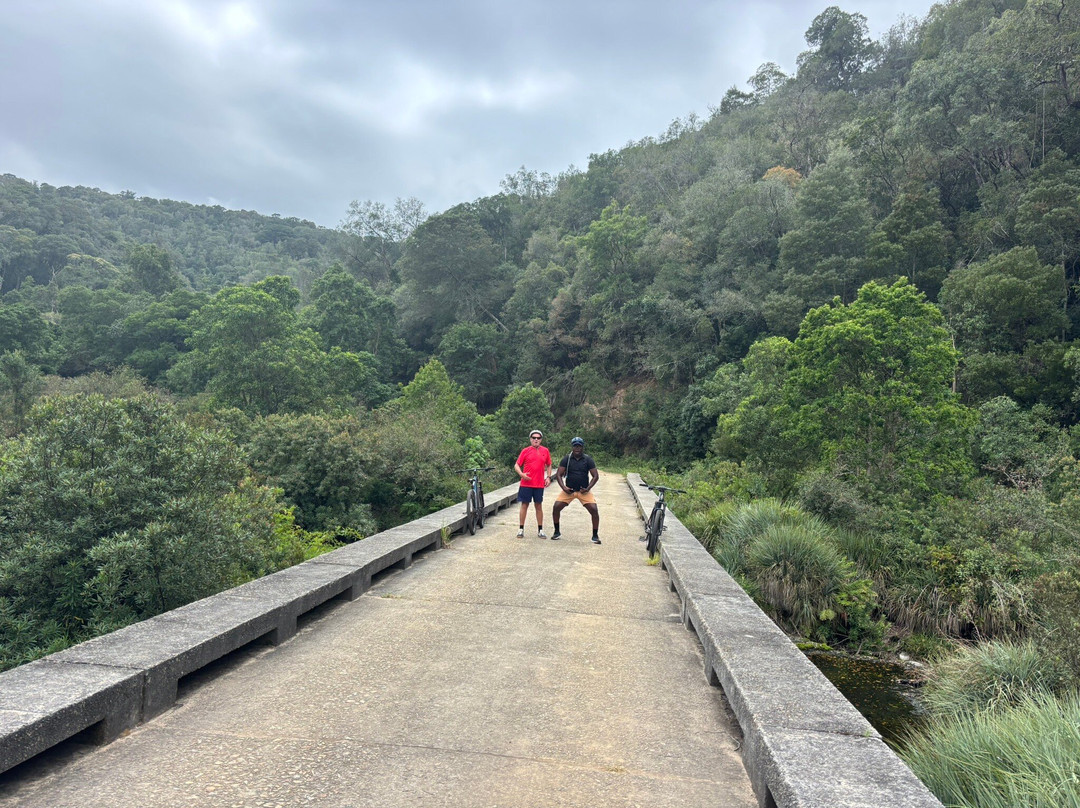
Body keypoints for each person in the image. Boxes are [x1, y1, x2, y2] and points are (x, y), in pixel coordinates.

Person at [552, 436, 600, 544]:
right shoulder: (566, 459)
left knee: (594, 510)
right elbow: (558, 475)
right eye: (575, 446)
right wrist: (564, 487)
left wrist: (588, 488)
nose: (577, 448)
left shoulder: (588, 459)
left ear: (582, 447)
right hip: (569, 490)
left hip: (583, 491)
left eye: (579, 446)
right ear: (572, 447)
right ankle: (556, 531)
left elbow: (595, 476)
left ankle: (595, 535)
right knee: (556, 508)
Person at [514, 429, 551, 538]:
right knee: (524, 505)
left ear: (541, 440)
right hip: (526, 483)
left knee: (538, 505)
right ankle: (521, 529)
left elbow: (549, 464)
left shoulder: (545, 451)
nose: (536, 439)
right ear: (530, 439)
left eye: (538, 438)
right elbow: (516, 465)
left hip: (539, 484)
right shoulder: (525, 451)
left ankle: (540, 530)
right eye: (534, 437)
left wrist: (548, 477)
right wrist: (521, 474)